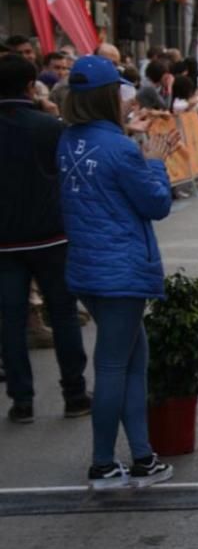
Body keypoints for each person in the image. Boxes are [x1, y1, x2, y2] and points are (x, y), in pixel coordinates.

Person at [57, 55, 179, 488]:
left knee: (132, 362)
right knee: (113, 366)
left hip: (90, 267)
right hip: (122, 270)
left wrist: (133, 141)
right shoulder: (122, 150)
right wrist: (155, 159)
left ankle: (143, 457)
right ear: (110, 97)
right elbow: (156, 204)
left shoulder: (69, 141)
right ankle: (104, 463)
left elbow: (104, 166)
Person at [0, 53, 91, 424]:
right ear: (29, 85)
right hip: (51, 236)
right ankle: (74, 394)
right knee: (64, 314)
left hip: (5, 242)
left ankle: (22, 401)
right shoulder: (49, 127)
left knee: (11, 320)